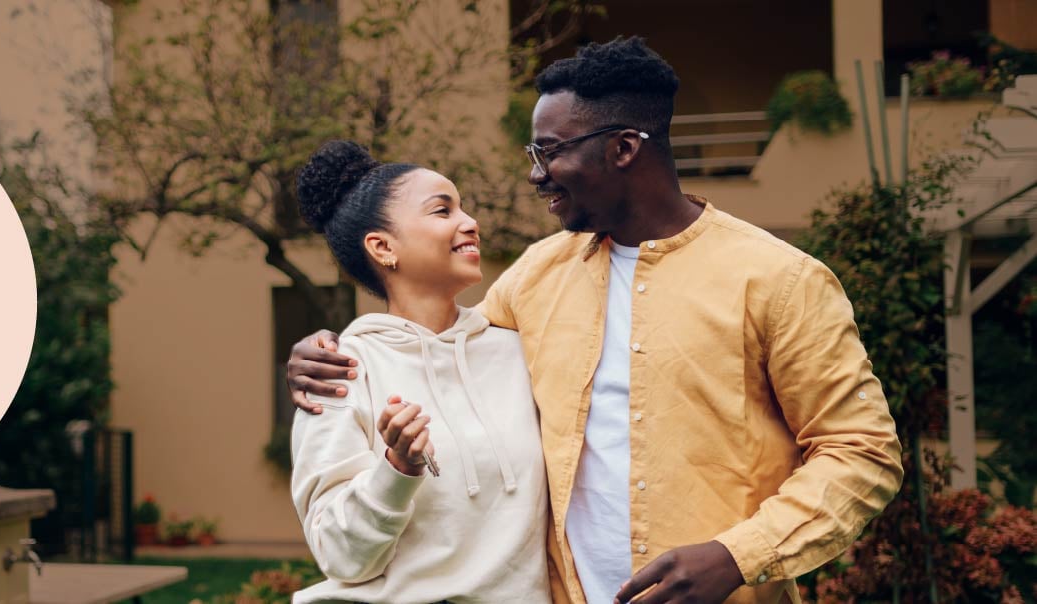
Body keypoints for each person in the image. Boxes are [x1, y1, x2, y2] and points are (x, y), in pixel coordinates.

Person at [286, 38, 903, 604]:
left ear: (623, 148)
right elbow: (439, 344)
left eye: (549, 152)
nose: (534, 173)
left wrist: (736, 557)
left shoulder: (780, 280)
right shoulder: (534, 278)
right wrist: (323, 354)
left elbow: (862, 453)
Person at [288, 140, 552, 603]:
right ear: (383, 247)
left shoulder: (520, 350)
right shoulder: (338, 373)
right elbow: (339, 556)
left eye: (463, 208)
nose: (470, 222)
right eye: (442, 211)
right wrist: (397, 470)